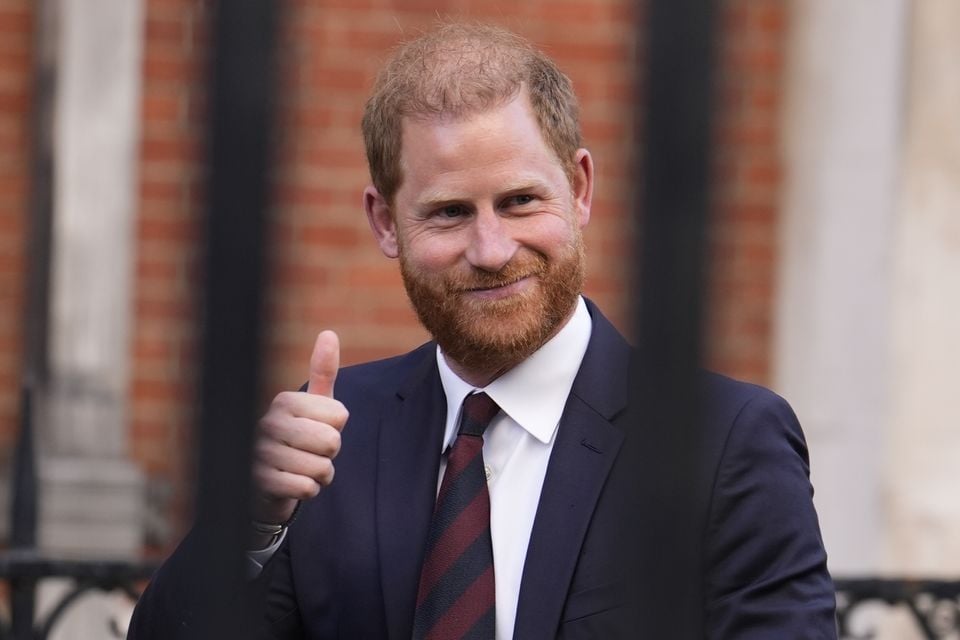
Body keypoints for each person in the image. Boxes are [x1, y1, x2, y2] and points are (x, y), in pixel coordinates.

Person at [130, 23, 837, 639]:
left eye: (521, 201)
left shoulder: (723, 442)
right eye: (448, 213)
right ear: (384, 222)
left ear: (581, 188)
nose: (493, 249)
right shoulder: (329, 442)